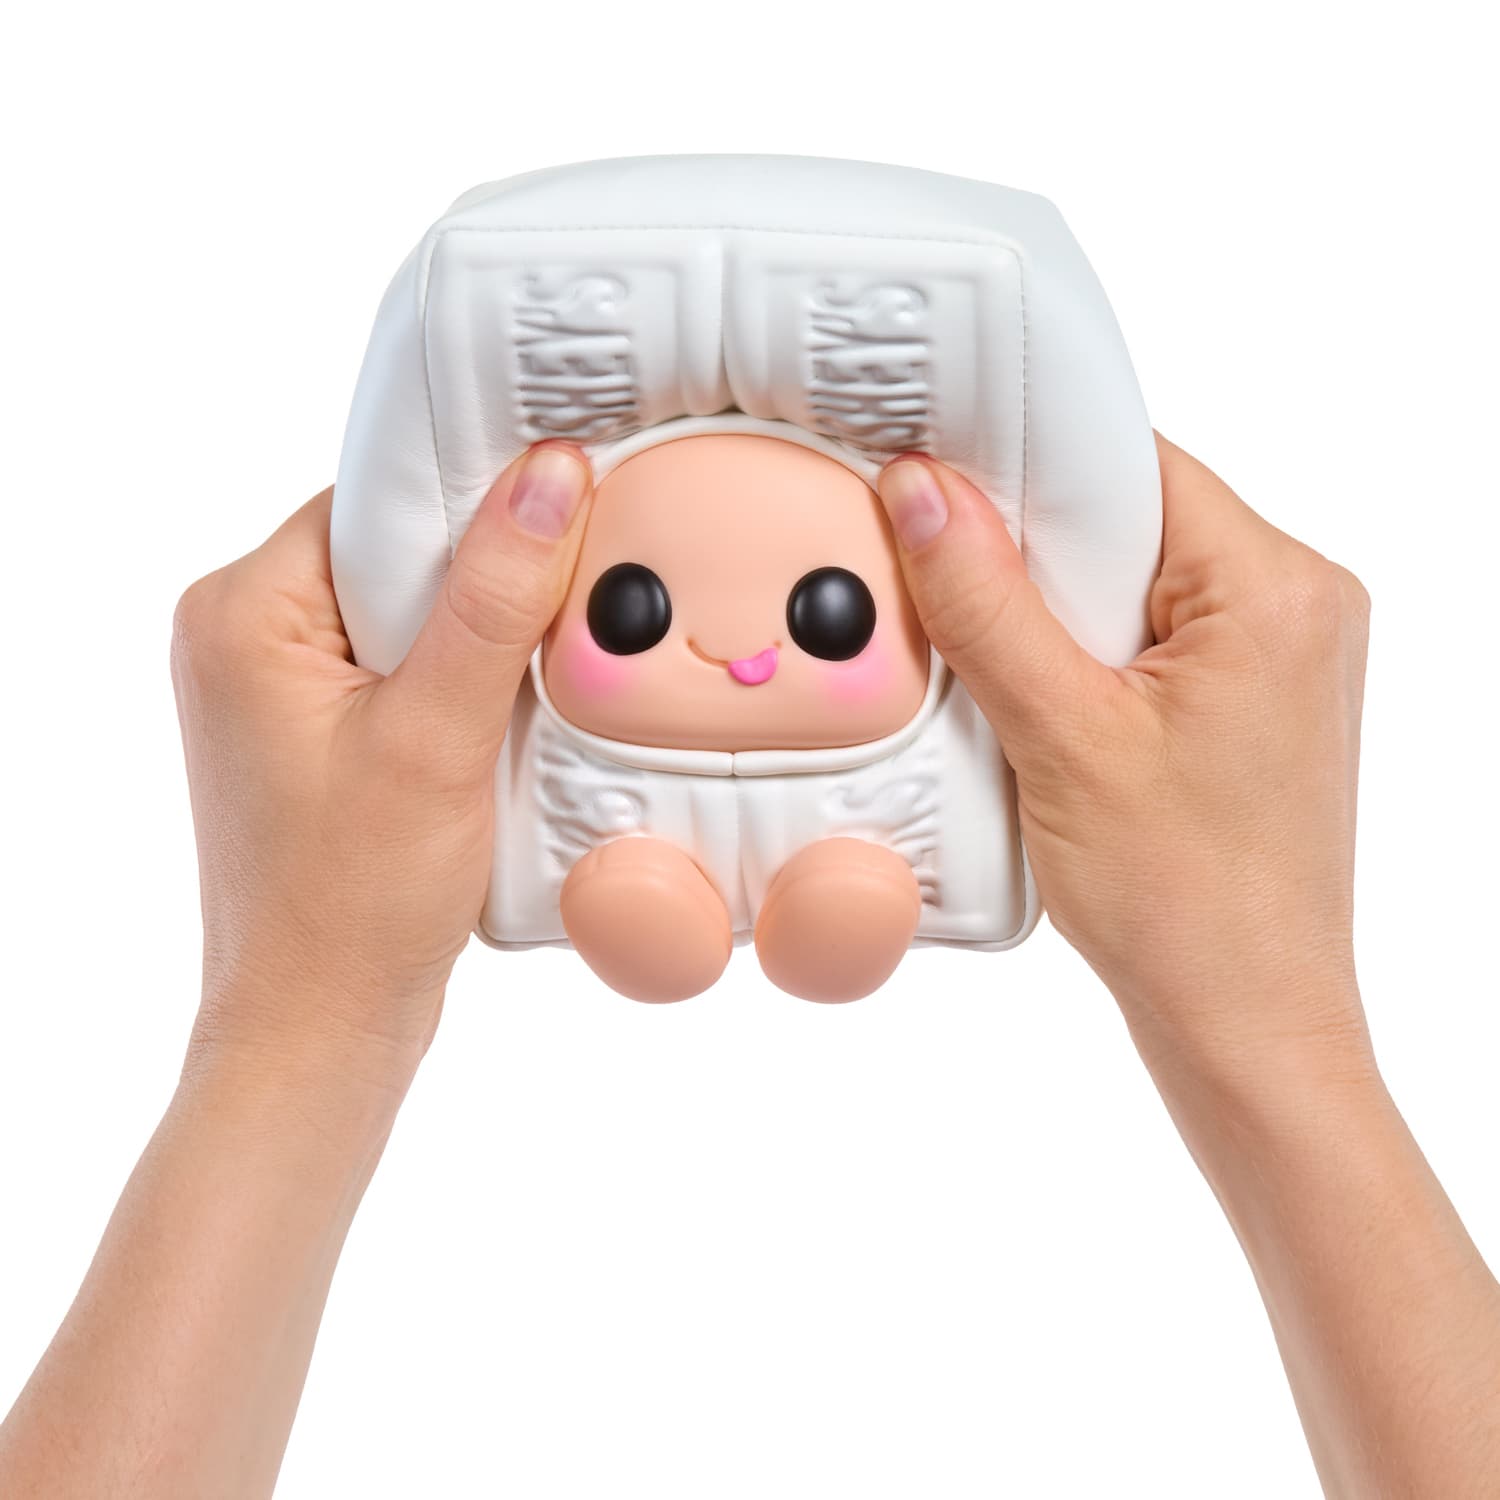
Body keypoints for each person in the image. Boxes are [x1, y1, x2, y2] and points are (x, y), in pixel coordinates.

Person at [0, 435, 1496, 1498]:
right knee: (643, 883)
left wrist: (294, 1033)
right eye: (637, 612)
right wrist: (1284, 1039)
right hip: (632, 845)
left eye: (826, 613)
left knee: (838, 878)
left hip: (843, 843)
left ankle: (820, 893)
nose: (733, 658)